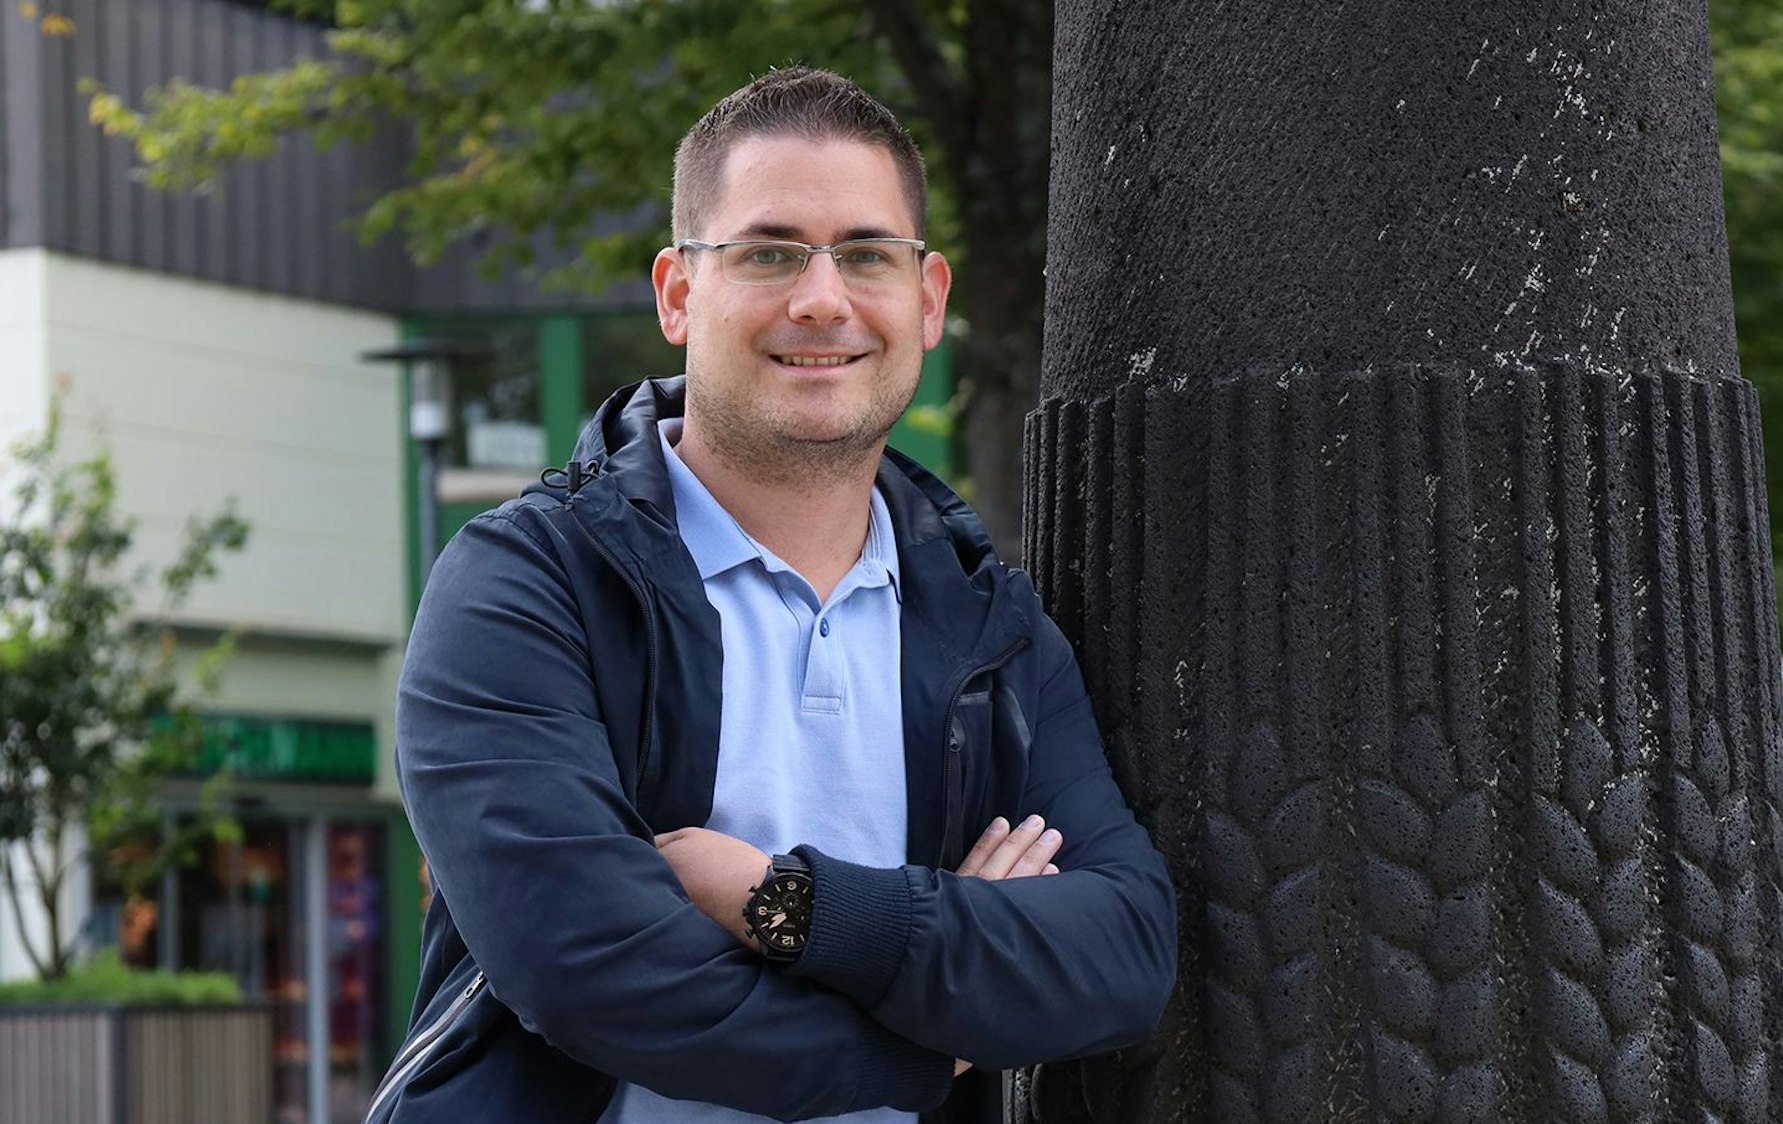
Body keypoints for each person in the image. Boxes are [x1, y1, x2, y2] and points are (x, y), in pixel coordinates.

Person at [367, 68, 1177, 1124]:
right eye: (768, 252)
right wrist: (945, 1035)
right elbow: (587, 966)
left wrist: (783, 903)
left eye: (867, 254)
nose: (822, 298)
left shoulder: (992, 627)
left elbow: (1122, 952)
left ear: (927, 300)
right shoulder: (528, 586)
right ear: (676, 293)